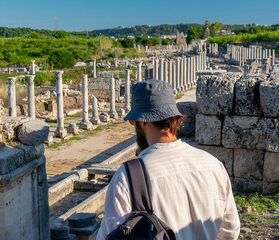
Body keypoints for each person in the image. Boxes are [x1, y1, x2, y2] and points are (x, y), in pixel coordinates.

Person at [96, 79, 240, 240]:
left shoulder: (128, 176)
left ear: (142, 121)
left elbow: (108, 235)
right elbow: (230, 230)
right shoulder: (213, 164)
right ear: (176, 120)